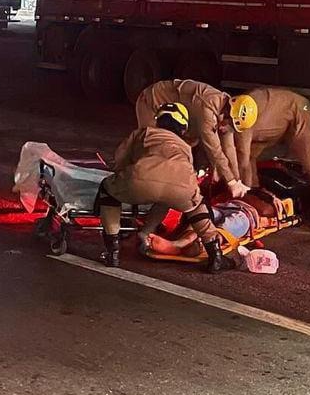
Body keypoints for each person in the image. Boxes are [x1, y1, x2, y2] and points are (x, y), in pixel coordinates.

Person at [97, 102, 231, 272]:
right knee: (195, 206)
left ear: (158, 121)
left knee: (107, 189)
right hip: (180, 188)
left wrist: (125, 177)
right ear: (183, 129)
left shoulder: (143, 133)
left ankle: (113, 252)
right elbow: (182, 175)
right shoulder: (185, 147)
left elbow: (119, 161)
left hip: (140, 181)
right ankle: (215, 255)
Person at [134, 78, 251, 243]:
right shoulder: (208, 109)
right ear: (228, 112)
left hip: (180, 114)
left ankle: (152, 217)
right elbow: (214, 150)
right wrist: (231, 181)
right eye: (229, 124)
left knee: (182, 160)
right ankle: (149, 205)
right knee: (157, 148)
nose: (226, 129)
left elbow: (229, 149)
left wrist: (236, 180)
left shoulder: (227, 111)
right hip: (152, 102)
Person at [233, 86, 310, 231]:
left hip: (299, 109)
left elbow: (241, 161)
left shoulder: (241, 120)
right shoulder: (235, 116)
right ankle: (257, 195)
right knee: (249, 157)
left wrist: (240, 190)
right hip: (270, 122)